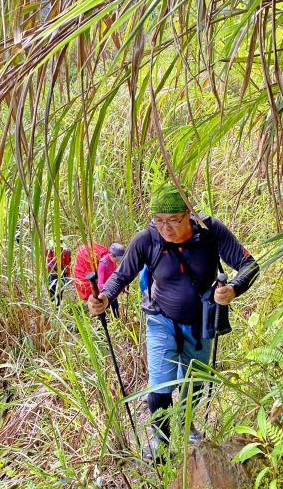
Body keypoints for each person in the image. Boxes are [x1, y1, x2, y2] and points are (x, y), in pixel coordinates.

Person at [87, 183, 259, 459]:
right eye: (158, 221)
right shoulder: (147, 239)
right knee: (160, 384)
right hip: (160, 319)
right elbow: (121, 275)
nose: (165, 227)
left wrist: (233, 289)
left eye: (173, 221)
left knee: (195, 381)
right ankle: (161, 440)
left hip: (202, 320)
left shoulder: (210, 231)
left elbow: (249, 265)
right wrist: (104, 297)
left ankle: (185, 422)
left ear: (188, 214)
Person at [97, 243, 125, 318]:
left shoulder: (113, 262)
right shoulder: (103, 264)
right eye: (118, 259)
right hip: (105, 293)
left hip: (112, 292)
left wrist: (122, 288)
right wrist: (113, 287)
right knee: (103, 315)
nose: (118, 261)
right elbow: (100, 284)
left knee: (116, 314)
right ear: (111, 255)